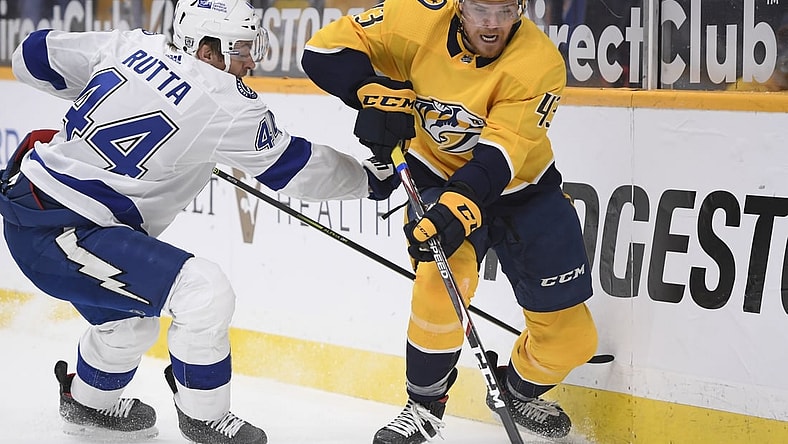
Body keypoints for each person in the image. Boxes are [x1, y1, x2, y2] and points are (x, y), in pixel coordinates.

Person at [0, 1, 394, 443]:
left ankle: (88, 405)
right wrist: (370, 181)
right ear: (206, 51)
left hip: (37, 209)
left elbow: (30, 57)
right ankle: (204, 417)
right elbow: (296, 168)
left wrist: (119, 91)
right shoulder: (225, 104)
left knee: (130, 321)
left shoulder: (128, 43)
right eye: (240, 49)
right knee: (203, 291)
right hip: (62, 231)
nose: (249, 61)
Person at [302, 0, 599, 442]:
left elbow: (500, 156)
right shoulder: (415, 17)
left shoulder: (539, 63)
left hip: (524, 189)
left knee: (572, 341)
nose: (493, 24)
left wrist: (457, 208)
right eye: (481, 9)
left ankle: (515, 391)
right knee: (440, 282)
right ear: (459, 5)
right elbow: (321, 52)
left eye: (505, 10)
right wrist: (371, 90)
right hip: (434, 172)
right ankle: (424, 405)